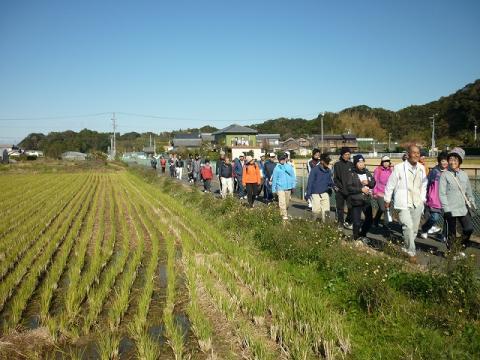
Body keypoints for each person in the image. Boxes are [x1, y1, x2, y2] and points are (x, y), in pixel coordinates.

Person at [385, 145, 428, 263]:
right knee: (407, 226)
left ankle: (406, 246)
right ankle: (411, 252)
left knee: (414, 229)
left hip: (417, 202)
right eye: (414, 153)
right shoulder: (399, 168)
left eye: (418, 153)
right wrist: (387, 199)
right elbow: (390, 184)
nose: (416, 155)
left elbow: (424, 185)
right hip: (402, 202)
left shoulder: (421, 168)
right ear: (408, 154)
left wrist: (423, 199)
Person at [439, 147, 476, 257]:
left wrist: (473, 203)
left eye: (455, 160)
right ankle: (452, 252)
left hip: (462, 208)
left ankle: (460, 247)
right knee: (451, 233)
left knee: (468, 229)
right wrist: (446, 209)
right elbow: (442, 194)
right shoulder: (444, 175)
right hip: (450, 209)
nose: (452, 162)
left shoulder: (464, 174)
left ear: (459, 161)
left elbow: (469, 191)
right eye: (451, 159)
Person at [420, 151, 449, 239]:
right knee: (434, 218)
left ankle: (444, 236)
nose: (445, 163)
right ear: (439, 161)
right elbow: (426, 184)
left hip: (447, 199)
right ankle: (425, 229)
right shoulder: (434, 171)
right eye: (443, 161)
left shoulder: (449, 171)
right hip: (435, 199)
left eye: (446, 161)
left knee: (448, 219)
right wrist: (425, 196)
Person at [347, 154, 376, 242]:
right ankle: (356, 238)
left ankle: (362, 234)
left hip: (366, 200)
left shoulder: (367, 172)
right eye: (359, 162)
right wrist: (361, 189)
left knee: (369, 219)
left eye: (363, 162)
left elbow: (373, 183)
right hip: (356, 200)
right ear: (355, 163)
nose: (361, 164)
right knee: (356, 222)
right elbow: (349, 187)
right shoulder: (351, 173)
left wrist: (368, 182)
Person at [305, 153, 334, 222]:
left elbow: (330, 181)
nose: (328, 163)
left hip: (325, 193)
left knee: (326, 211)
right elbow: (310, 182)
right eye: (326, 162)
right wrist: (308, 194)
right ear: (322, 161)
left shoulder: (329, 171)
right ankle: (311, 223)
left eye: (328, 162)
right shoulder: (315, 170)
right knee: (316, 210)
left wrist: (334, 186)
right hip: (315, 193)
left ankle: (326, 226)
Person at [333, 147, 354, 229]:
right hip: (340, 190)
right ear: (342, 155)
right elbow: (335, 178)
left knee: (351, 207)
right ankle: (340, 223)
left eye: (348, 154)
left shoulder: (351, 164)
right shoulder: (337, 164)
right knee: (340, 208)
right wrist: (338, 187)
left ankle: (348, 222)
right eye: (345, 154)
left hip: (350, 190)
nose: (347, 156)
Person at [271, 154, 296, 220]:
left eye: (283, 159)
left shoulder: (289, 166)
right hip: (280, 187)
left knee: (287, 203)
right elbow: (274, 179)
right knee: (282, 202)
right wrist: (273, 190)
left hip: (288, 187)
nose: (282, 161)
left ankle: (284, 212)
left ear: (285, 159)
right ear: (278, 160)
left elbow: (293, 176)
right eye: (280, 160)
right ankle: (284, 216)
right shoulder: (276, 168)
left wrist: (293, 186)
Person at [372, 156, 393, 231]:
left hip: (388, 193)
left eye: (387, 161)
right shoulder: (378, 170)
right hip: (379, 192)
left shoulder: (391, 170)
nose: (386, 163)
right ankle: (376, 220)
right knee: (382, 208)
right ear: (382, 162)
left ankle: (386, 224)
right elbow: (375, 182)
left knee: (388, 208)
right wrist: (375, 193)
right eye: (384, 161)